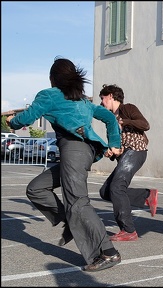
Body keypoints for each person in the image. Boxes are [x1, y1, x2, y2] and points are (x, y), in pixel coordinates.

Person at [6, 57, 123, 272]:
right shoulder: (83, 100)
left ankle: (108, 252)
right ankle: (69, 221)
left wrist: (12, 121)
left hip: (74, 151)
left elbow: (26, 118)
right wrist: (114, 142)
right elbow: (109, 117)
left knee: (77, 202)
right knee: (36, 189)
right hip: (84, 153)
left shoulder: (49, 95)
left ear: (53, 78)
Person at [99, 84, 158, 241]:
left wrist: (124, 122)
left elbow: (145, 125)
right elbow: (117, 143)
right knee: (105, 191)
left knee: (117, 187)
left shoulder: (127, 108)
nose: (101, 103)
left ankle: (128, 230)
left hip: (136, 151)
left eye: (102, 99)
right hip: (125, 155)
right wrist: (111, 151)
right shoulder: (110, 119)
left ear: (110, 96)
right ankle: (147, 195)